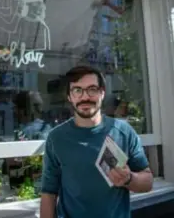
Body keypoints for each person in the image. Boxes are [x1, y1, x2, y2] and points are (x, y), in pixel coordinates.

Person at [40, 65, 153, 218]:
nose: (85, 97)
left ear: (102, 93)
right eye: (77, 90)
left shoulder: (124, 132)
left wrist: (129, 179)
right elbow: (49, 193)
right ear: (69, 96)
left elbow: (148, 182)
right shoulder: (56, 138)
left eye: (92, 89)